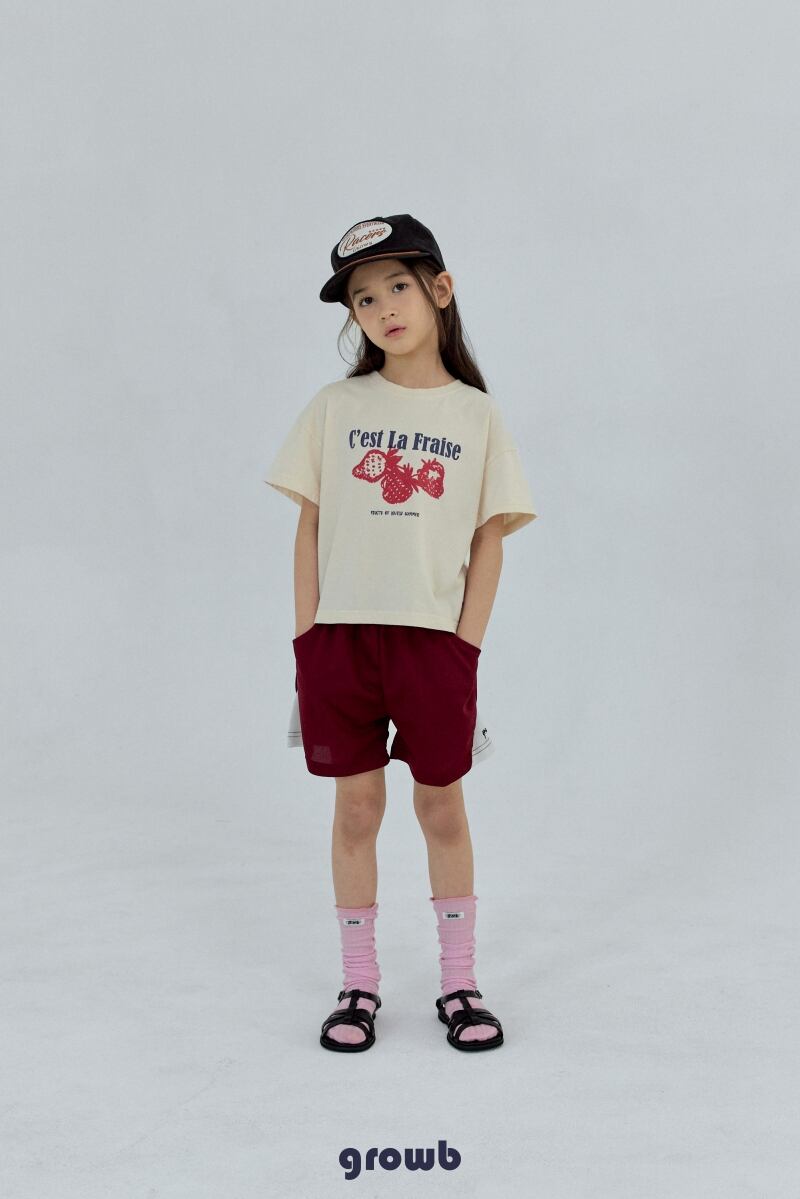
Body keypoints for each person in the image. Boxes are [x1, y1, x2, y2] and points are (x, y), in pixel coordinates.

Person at [264, 214, 538, 1053]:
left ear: (440, 290)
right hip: (340, 643)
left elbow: (490, 538)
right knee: (356, 808)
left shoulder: (476, 416)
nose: (382, 307)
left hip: (433, 647)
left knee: (441, 805)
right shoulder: (335, 407)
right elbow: (309, 527)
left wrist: (465, 647)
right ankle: (359, 981)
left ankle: (460, 981)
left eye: (397, 286)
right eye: (362, 297)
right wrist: (307, 639)